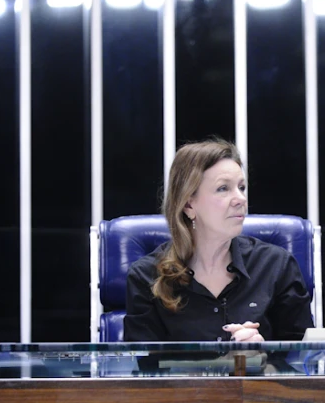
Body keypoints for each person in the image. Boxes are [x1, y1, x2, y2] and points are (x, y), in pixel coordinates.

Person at [124, 138, 313, 343]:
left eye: (241, 187)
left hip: (259, 377)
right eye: (223, 188)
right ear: (189, 205)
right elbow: (144, 368)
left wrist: (264, 356)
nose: (240, 199)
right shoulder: (147, 276)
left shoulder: (276, 265)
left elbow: (305, 360)